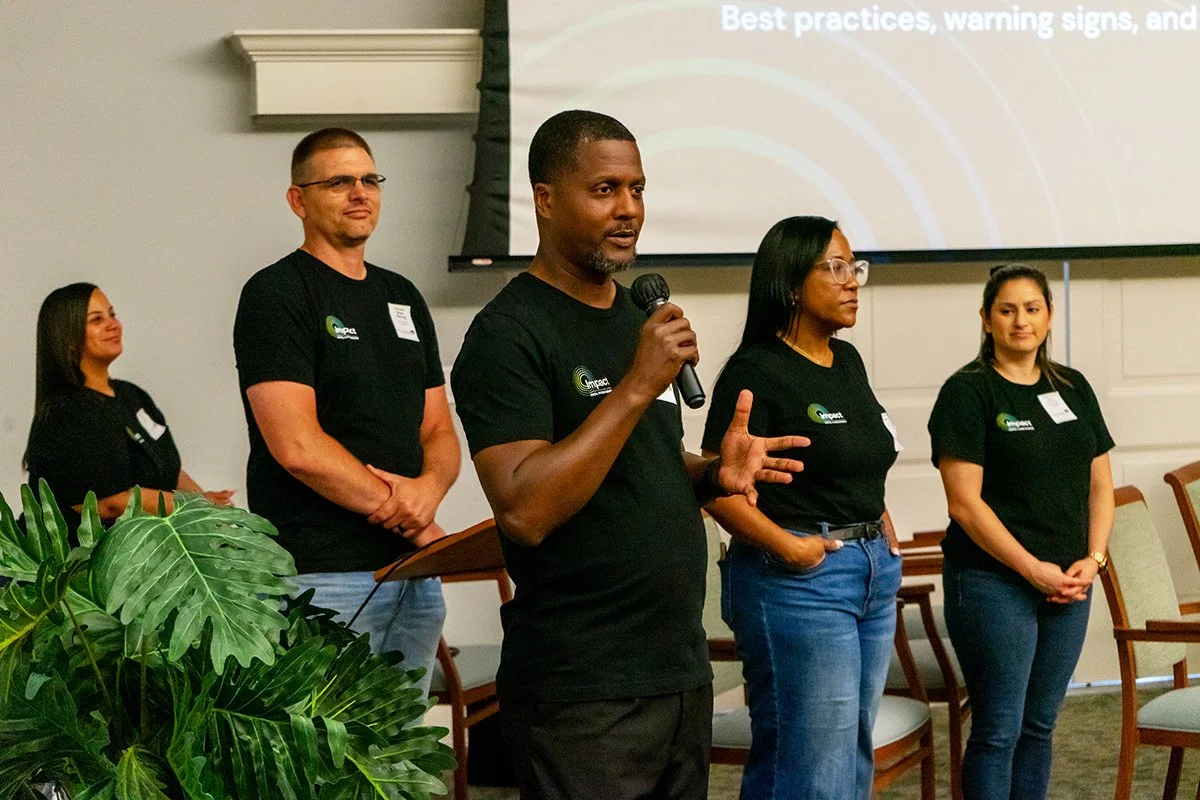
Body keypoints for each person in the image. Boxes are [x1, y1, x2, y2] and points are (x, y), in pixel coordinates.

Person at [450, 110, 807, 800]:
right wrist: (638, 384)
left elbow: (642, 465)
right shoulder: (508, 334)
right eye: (605, 189)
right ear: (545, 198)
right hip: (583, 691)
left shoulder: (636, 319)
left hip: (675, 669)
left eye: (637, 189)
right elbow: (524, 510)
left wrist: (712, 473)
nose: (628, 209)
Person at [233, 128, 459, 696]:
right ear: (298, 200)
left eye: (369, 180)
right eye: (338, 182)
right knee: (323, 745)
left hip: (414, 573)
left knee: (402, 742)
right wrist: (409, 514)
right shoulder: (276, 293)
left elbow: (437, 428)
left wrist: (428, 491)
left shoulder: (403, 296)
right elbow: (297, 448)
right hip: (322, 576)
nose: (360, 193)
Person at [701, 216, 903, 799]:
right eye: (835, 268)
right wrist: (789, 547)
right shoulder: (755, 371)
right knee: (808, 762)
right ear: (791, 283)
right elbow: (717, 485)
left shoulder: (848, 361)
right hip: (798, 580)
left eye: (854, 267)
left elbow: (860, 456)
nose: (852, 281)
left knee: (850, 755)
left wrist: (877, 519)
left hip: (870, 572)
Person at [928, 264, 1114, 800]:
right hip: (993, 583)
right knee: (999, 730)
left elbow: (1101, 485)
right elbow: (964, 504)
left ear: (1049, 316)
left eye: (1032, 309)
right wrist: (1033, 570)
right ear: (986, 319)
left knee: (1039, 725)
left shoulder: (1072, 387)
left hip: (1070, 586)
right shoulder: (968, 392)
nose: (1020, 321)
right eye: (1006, 310)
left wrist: (1094, 559)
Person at [24, 283, 234, 528]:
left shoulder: (132, 396)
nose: (113, 324)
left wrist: (213, 517)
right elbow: (112, 503)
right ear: (68, 338)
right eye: (97, 319)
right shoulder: (66, 414)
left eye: (112, 314)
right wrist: (199, 507)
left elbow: (169, 470)